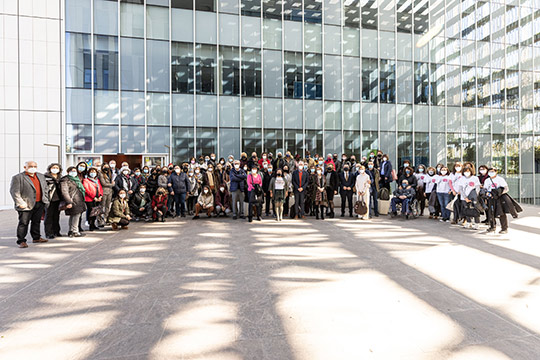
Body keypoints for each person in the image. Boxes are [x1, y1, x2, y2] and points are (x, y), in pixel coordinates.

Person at [10, 161, 50, 248]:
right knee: (23, 223)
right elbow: (14, 191)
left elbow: (45, 188)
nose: (33, 167)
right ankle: (21, 241)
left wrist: (46, 199)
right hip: (25, 205)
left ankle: (36, 237)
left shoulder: (40, 176)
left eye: (35, 166)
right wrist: (20, 203)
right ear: (25, 167)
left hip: (39, 203)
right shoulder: (18, 177)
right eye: (31, 166)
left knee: (36, 221)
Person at [483, 168, 521, 234]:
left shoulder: (500, 179)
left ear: (496, 172)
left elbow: (506, 188)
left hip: (499, 198)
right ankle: (492, 226)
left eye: (492, 171)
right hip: (490, 198)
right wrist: (487, 194)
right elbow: (485, 189)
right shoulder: (487, 180)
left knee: (501, 213)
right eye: (489, 172)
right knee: (491, 212)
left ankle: (504, 228)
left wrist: (499, 193)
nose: (491, 173)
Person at [60, 166, 87, 238]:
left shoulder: (76, 179)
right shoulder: (65, 180)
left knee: (74, 215)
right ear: (68, 172)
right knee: (75, 215)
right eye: (72, 171)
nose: (73, 172)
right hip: (73, 200)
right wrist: (69, 202)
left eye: (75, 171)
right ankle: (75, 231)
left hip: (78, 200)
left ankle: (71, 230)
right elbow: (64, 192)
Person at [44, 163, 63, 239]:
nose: (55, 169)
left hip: (58, 199)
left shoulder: (60, 178)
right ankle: (49, 233)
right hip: (50, 199)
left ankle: (56, 231)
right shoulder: (45, 177)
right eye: (53, 167)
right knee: (49, 216)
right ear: (50, 168)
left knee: (56, 216)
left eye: (56, 168)